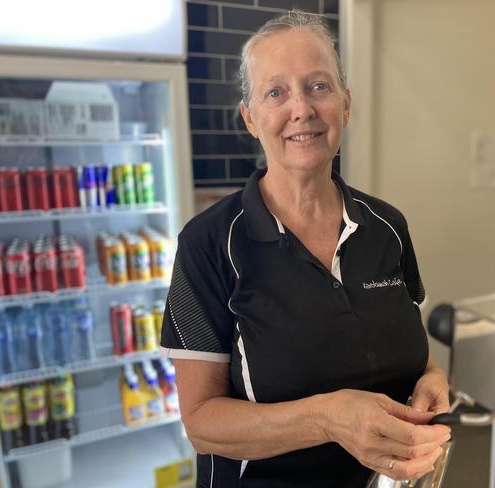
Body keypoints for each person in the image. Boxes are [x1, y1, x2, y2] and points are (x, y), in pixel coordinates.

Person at [160, 10, 451, 488]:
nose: (302, 109)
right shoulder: (208, 243)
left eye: (318, 86)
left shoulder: (387, 227)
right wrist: (327, 418)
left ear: (346, 104)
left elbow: (420, 358)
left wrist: (432, 384)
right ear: (251, 118)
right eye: (276, 92)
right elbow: (201, 423)